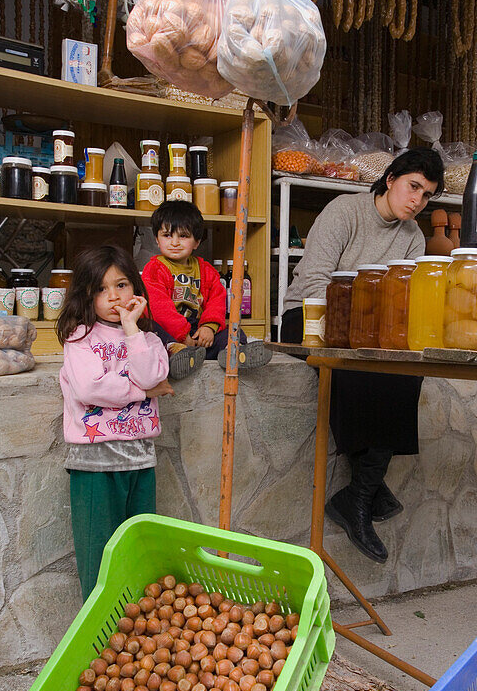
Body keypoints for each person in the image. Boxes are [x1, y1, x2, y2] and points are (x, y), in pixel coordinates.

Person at [280, 147, 444, 564]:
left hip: (369, 331)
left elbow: (403, 299)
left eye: (427, 196)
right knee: (354, 369)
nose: (417, 201)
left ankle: (358, 494)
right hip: (310, 314)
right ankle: (365, 493)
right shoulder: (344, 211)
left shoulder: (413, 238)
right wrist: (360, 327)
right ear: (390, 178)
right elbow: (315, 277)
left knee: (406, 371)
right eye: (413, 187)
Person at [57, 245, 171, 600]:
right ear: (86, 295)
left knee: (139, 551)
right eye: (101, 289)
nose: (113, 297)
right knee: (98, 557)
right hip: (95, 464)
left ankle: (134, 630)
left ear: (135, 288)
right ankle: (95, 636)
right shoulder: (79, 338)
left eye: (121, 285)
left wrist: (130, 328)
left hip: (140, 460)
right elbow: (91, 388)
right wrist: (144, 391)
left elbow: (154, 372)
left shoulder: (148, 339)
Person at [142, 200, 271, 375]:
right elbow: (158, 307)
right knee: (150, 330)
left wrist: (209, 327)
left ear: (197, 242)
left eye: (183, 236)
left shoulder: (205, 270)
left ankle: (234, 352)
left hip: (197, 328)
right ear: (157, 239)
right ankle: (177, 354)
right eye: (167, 235)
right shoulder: (155, 268)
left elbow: (217, 300)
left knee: (233, 331)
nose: (174, 242)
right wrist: (181, 335)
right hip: (169, 327)